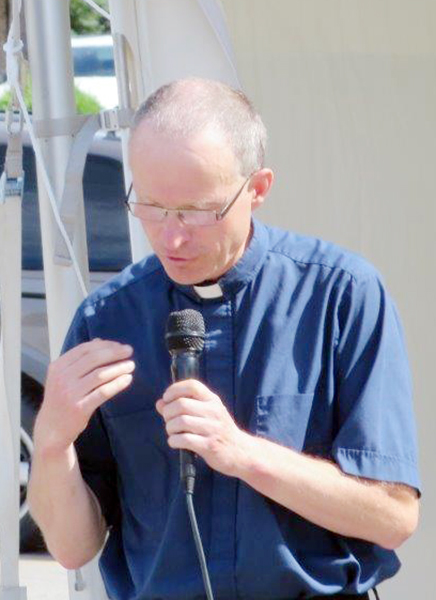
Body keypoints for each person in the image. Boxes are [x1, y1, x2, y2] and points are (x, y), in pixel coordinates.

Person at [28, 78, 420, 600]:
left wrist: (241, 453)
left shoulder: (340, 296)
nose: (171, 236)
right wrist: (52, 443)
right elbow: (73, 550)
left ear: (257, 189)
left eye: (197, 211)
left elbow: (393, 518)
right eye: (151, 206)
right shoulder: (107, 319)